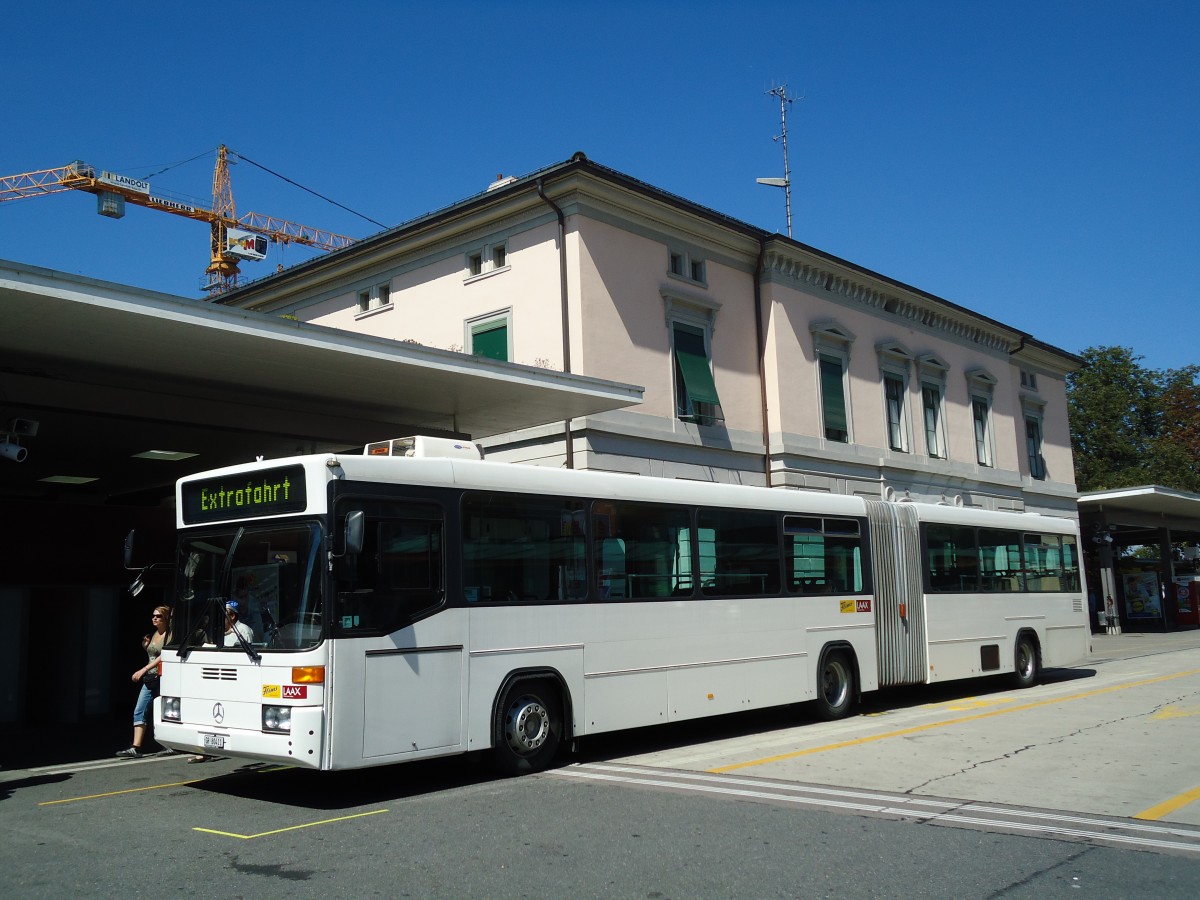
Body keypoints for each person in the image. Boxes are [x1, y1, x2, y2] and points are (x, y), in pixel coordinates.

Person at [116, 605, 171, 759]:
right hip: (150, 679)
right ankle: (135, 747)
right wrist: (146, 647)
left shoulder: (170, 635)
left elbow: (164, 656)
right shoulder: (155, 634)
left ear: (166, 618)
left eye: (159, 616)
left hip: (163, 678)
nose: (155, 618)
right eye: (153, 615)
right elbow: (154, 654)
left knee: (164, 712)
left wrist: (143, 669)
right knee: (139, 709)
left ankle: (168, 745)